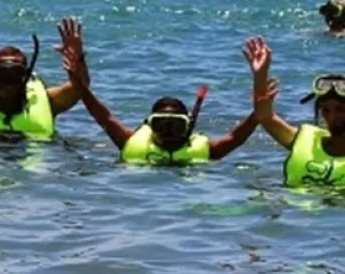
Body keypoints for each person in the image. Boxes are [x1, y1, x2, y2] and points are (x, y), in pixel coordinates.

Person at [59, 20, 258, 165]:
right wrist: (78, 73)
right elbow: (101, 114)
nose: (169, 134)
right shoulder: (128, 142)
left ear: (188, 126)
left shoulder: (207, 151)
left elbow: (237, 137)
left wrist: (261, 97)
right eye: (162, 125)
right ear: (150, 125)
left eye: (176, 126)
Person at [0, 19, 83, 138]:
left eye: (16, 73)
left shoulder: (48, 101)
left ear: (26, 76)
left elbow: (80, 88)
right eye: (2, 73)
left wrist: (78, 58)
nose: (9, 81)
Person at [245, 36, 345, 186]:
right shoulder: (307, 141)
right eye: (326, 110)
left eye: (340, 110)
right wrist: (260, 76)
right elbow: (265, 117)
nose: (332, 116)